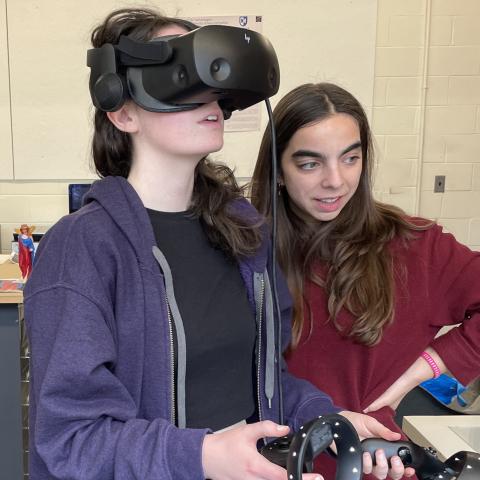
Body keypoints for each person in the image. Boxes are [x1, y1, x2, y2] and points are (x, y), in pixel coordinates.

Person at [25, 10, 404, 480]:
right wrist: (201, 455)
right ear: (122, 111)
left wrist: (325, 418)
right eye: (180, 80)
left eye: (211, 80)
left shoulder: (243, 233)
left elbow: (267, 385)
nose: (208, 97)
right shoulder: (82, 248)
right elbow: (71, 438)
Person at [250, 82, 480, 479]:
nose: (335, 181)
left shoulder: (416, 248)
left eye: (350, 159)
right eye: (310, 164)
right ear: (279, 171)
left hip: (374, 468)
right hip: (260, 468)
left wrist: (420, 371)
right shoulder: (244, 251)